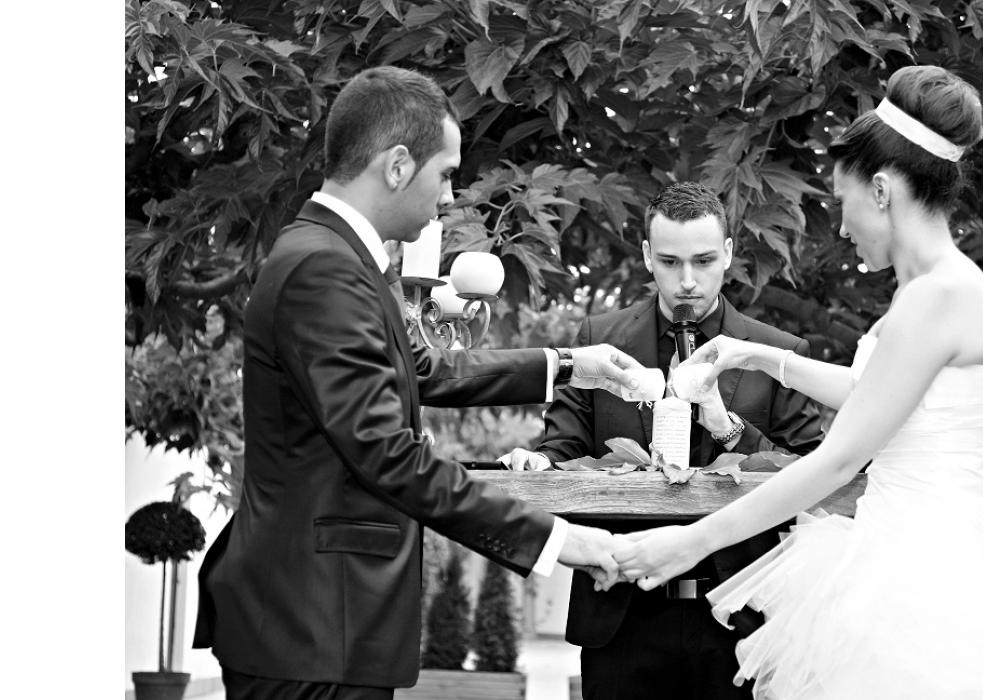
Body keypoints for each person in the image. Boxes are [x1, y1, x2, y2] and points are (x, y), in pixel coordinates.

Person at [612, 65, 983, 699]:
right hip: (904, 572)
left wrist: (689, 543)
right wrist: (757, 356)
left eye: (843, 200)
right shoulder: (935, 289)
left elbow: (842, 457)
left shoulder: (936, 296)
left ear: (881, 191)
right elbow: (875, 395)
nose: (842, 224)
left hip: (923, 593)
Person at [192, 66, 645, 700]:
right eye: (447, 173)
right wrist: (557, 539)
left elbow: (421, 368)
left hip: (321, 624)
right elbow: (388, 455)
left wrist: (570, 365)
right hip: (313, 624)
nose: (450, 198)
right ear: (398, 165)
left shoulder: (333, 256)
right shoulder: (325, 268)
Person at [500, 182, 824, 700]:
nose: (687, 281)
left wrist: (729, 428)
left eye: (703, 260)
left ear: (730, 255)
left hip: (741, 618)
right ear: (648, 256)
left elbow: (813, 471)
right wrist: (536, 461)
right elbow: (564, 448)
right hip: (621, 616)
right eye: (671, 262)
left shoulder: (779, 352)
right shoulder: (595, 341)